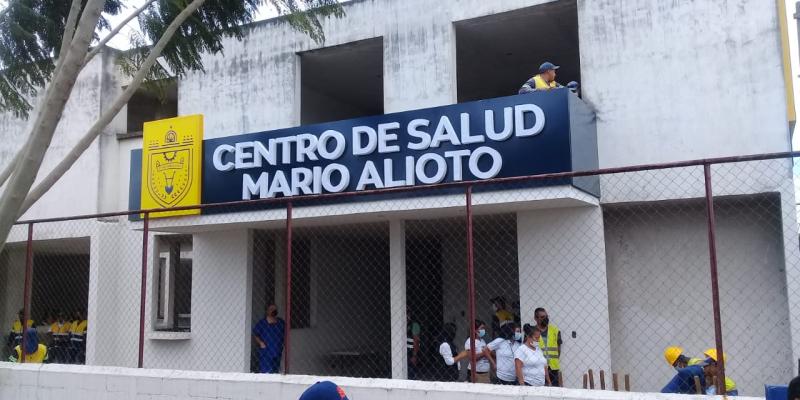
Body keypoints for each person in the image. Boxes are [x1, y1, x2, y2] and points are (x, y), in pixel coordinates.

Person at [252, 304, 285, 373]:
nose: (274, 310)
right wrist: (261, 343)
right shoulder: (262, 323)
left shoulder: (280, 323)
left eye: (275, 309)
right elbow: (255, 334)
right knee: (266, 372)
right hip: (266, 352)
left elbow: (285, 333)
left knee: (275, 372)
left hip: (277, 351)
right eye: (272, 309)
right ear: (267, 311)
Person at [534, 307, 562, 386]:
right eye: (542, 317)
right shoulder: (531, 331)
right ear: (536, 318)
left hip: (553, 368)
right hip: (538, 368)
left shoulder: (555, 330)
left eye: (546, 316)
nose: (545, 319)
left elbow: (558, 349)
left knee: (554, 391)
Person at [465, 319, 495, 384]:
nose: (483, 330)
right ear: (475, 330)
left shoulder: (482, 341)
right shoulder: (469, 341)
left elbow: (487, 353)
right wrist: (484, 353)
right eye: (482, 328)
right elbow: (472, 358)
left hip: (485, 373)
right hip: (476, 374)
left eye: (484, 328)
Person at [406, 308, 421, 380]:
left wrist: (414, 355)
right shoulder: (403, 325)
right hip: (403, 352)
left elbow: (416, 341)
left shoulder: (414, 325)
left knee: (411, 373)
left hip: (411, 352)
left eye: (407, 314)